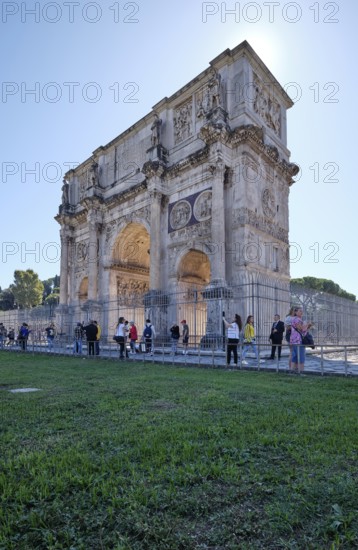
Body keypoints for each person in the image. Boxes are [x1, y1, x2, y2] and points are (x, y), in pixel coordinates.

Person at [290, 307, 313, 374]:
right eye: (300, 311)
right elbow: (301, 329)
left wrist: (308, 326)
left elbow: (303, 330)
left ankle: (292, 371)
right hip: (298, 341)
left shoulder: (294, 319)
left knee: (294, 357)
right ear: (296, 312)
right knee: (301, 357)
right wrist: (307, 325)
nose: (301, 312)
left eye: (302, 311)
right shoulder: (297, 319)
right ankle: (301, 372)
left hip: (294, 341)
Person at [284, 306, 295, 372]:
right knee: (292, 352)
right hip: (290, 336)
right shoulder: (288, 318)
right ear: (291, 311)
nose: (295, 312)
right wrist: (295, 326)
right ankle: (290, 367)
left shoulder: (296, 318)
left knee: (295, 352)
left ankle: (295, 367)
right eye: (294, 310)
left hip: (296, 337)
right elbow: (287, 328)